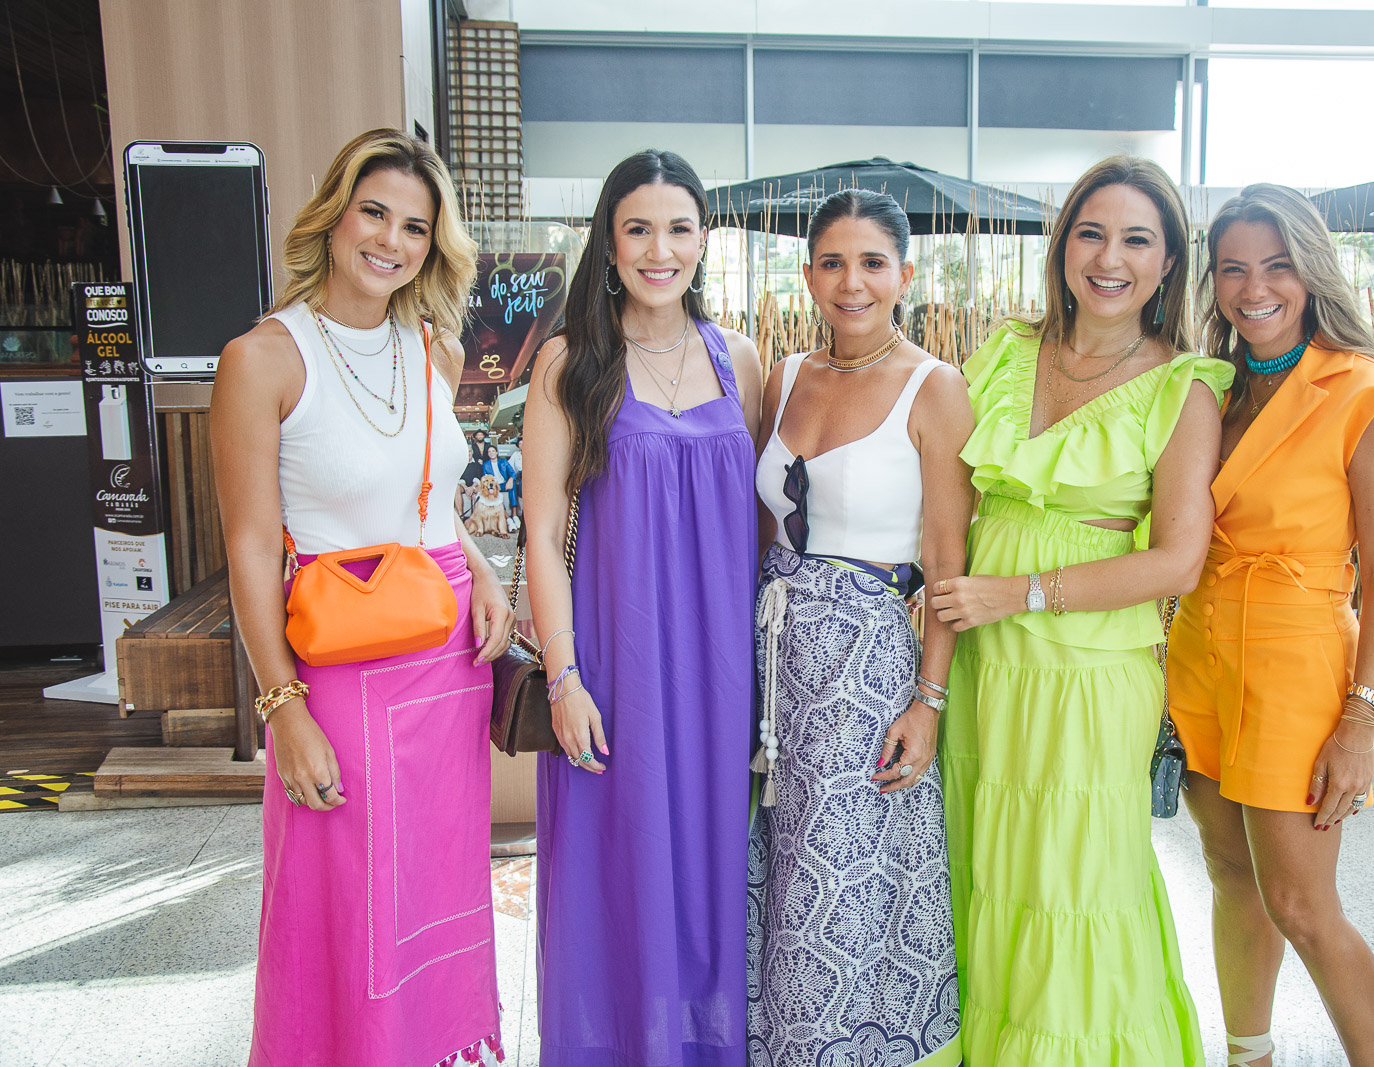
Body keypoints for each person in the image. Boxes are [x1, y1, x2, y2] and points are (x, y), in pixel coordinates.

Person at [211, 128, 514, 1066]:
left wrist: (484, 568)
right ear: (333, 217)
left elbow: (424, 498)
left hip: (448, 653)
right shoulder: (264, 357)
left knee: (433, 885)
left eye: (415, 227)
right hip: (339, 663)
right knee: (342, 895)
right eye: (374, 213)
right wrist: (282, 708)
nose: (391, 240)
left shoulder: (434, 348)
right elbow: (250, 545)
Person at [932, 155, 1231, 1067]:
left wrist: (1018, 592)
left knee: (1072, 882)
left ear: (1168, 263)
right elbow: (944, 496)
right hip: (980, 660)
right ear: (1063, 246)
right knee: (986, 864)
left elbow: (1177, 559)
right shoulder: (1003, 352)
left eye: (1137, 240)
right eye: (1091, 233)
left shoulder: (1183, 386)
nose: (1109, 258)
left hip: (1087, 674)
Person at [520, 149, 762, 1067]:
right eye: (638, 229)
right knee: (612, 880)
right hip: (614, 668)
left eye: (679, 228)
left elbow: (760, 524)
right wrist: (564, 677)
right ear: (610, 243)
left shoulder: (740, 358)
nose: (660, 250)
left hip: (718, 675)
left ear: (703, 239)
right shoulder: (570, 362)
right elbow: (544, 532)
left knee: (706, 878)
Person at [1166, 184, 1374, 1067]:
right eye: (1233, 268)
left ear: (1312, 272)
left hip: (1296, 668)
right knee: (1230, 875)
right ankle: (1251, 1057)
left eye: (1276, 266)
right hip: (1201, 654)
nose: (1254, 288)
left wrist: (1361, 720)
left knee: (1303, 905)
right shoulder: (1212, 387)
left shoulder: (1363, 391)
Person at [746, 189, 972, 1067]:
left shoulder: (934, 387)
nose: (852, 283)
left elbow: (946, 560)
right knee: (774, 864)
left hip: (864, 667)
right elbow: (761, 528)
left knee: (837, 880)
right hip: (774, 658)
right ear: (808, 276)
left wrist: (928, 700)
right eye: (833, 263)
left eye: (872, 262)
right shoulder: (784, 377)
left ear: (904, 274)